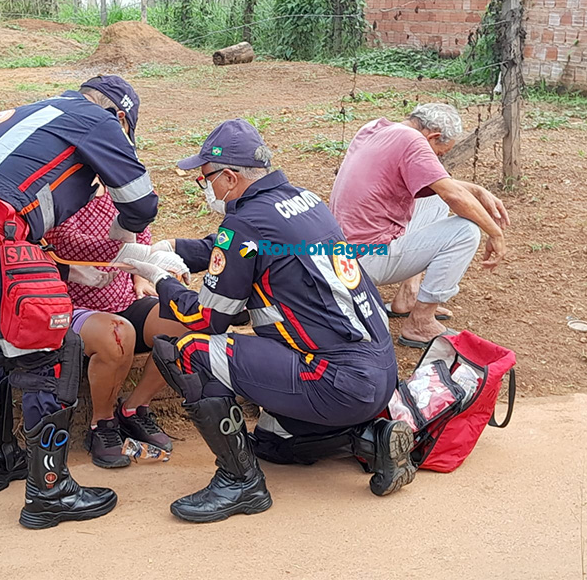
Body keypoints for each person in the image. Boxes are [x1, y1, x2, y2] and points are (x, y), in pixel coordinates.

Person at [0, 75, 185, 529]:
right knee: (48, 349)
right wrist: (129, 248)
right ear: (123, 119)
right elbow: (141, 203)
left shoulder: (37, 112)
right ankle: (49, 491)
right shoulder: (99, 120)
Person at [121, 119, 417, 523]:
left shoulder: (245, 222)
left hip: (333, 380)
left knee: (188, 352)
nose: (204, 188)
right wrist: (172, 247)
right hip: (377, 376)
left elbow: (209, 317)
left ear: (229, 176)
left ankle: (240, 483)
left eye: (204, 179)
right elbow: (236, 248)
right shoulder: (303, 201)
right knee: (271, 441)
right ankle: (370, 440)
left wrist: (160, 280)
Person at [330, 103, 510, 348]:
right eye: (439, 153)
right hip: (366, 259)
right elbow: (453, 196)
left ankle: (408, 296)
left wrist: (476, 189)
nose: (437, 158)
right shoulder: (413, 141)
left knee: (433, 198)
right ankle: (421, 323)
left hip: (341, 253)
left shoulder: (375, 128)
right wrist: (495, 233)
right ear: (433, 136)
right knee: (466, 232)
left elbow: (441, 186)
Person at [44, 180, 188, 468]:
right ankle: (103, 424)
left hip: (122, 295)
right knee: (118, 334)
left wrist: (141, 276)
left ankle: (134, 409)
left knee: (184, 319)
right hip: (67, 303)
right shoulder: (59, 189)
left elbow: (141, 234)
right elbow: (66, 242)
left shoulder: (127, 187)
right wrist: (138, 257)